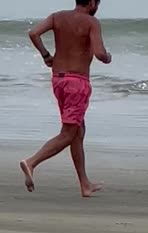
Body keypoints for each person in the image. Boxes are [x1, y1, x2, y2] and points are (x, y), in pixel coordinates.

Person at [19, 0, 112, 197]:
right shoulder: (91, 22)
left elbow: (33, 33)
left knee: (78, 130)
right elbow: (99, 52)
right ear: (93, 2)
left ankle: (85, 184)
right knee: (69, 133)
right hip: (77, 83)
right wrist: (107, 57)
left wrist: (46, 56)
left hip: (58, 80)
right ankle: (31, 162)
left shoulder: (57, 17)